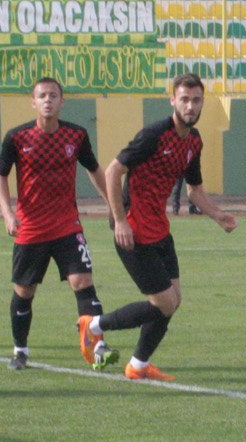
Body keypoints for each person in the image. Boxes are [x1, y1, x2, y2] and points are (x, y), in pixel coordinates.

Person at [87, 73, 237, 383]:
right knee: (164, 302)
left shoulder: (193, 142)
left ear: (202, 103)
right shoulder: (154, 135)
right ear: (173, 100)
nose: (190, 106)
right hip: (133, 231)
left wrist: (218, 215)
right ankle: (93, 326)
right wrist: (120, 220)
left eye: (196, 100)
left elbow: (195, 190)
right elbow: (114, 170)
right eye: (184, 99)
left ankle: (138, 365)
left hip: (159, 230)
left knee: (173, 301)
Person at [0, 76, 117, 372]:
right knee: (24, 291)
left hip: (67, 226)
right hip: (31, 228)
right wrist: (8, 214)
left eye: (53, 95)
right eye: (42, 96)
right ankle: (20, 351)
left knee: (82, 281)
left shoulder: (76, 136)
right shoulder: (17, 138)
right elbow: (0, 175)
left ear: (62, 102)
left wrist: (113, 205)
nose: (48, 100)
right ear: (33, 102)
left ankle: (98, 346)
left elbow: (95, 170)